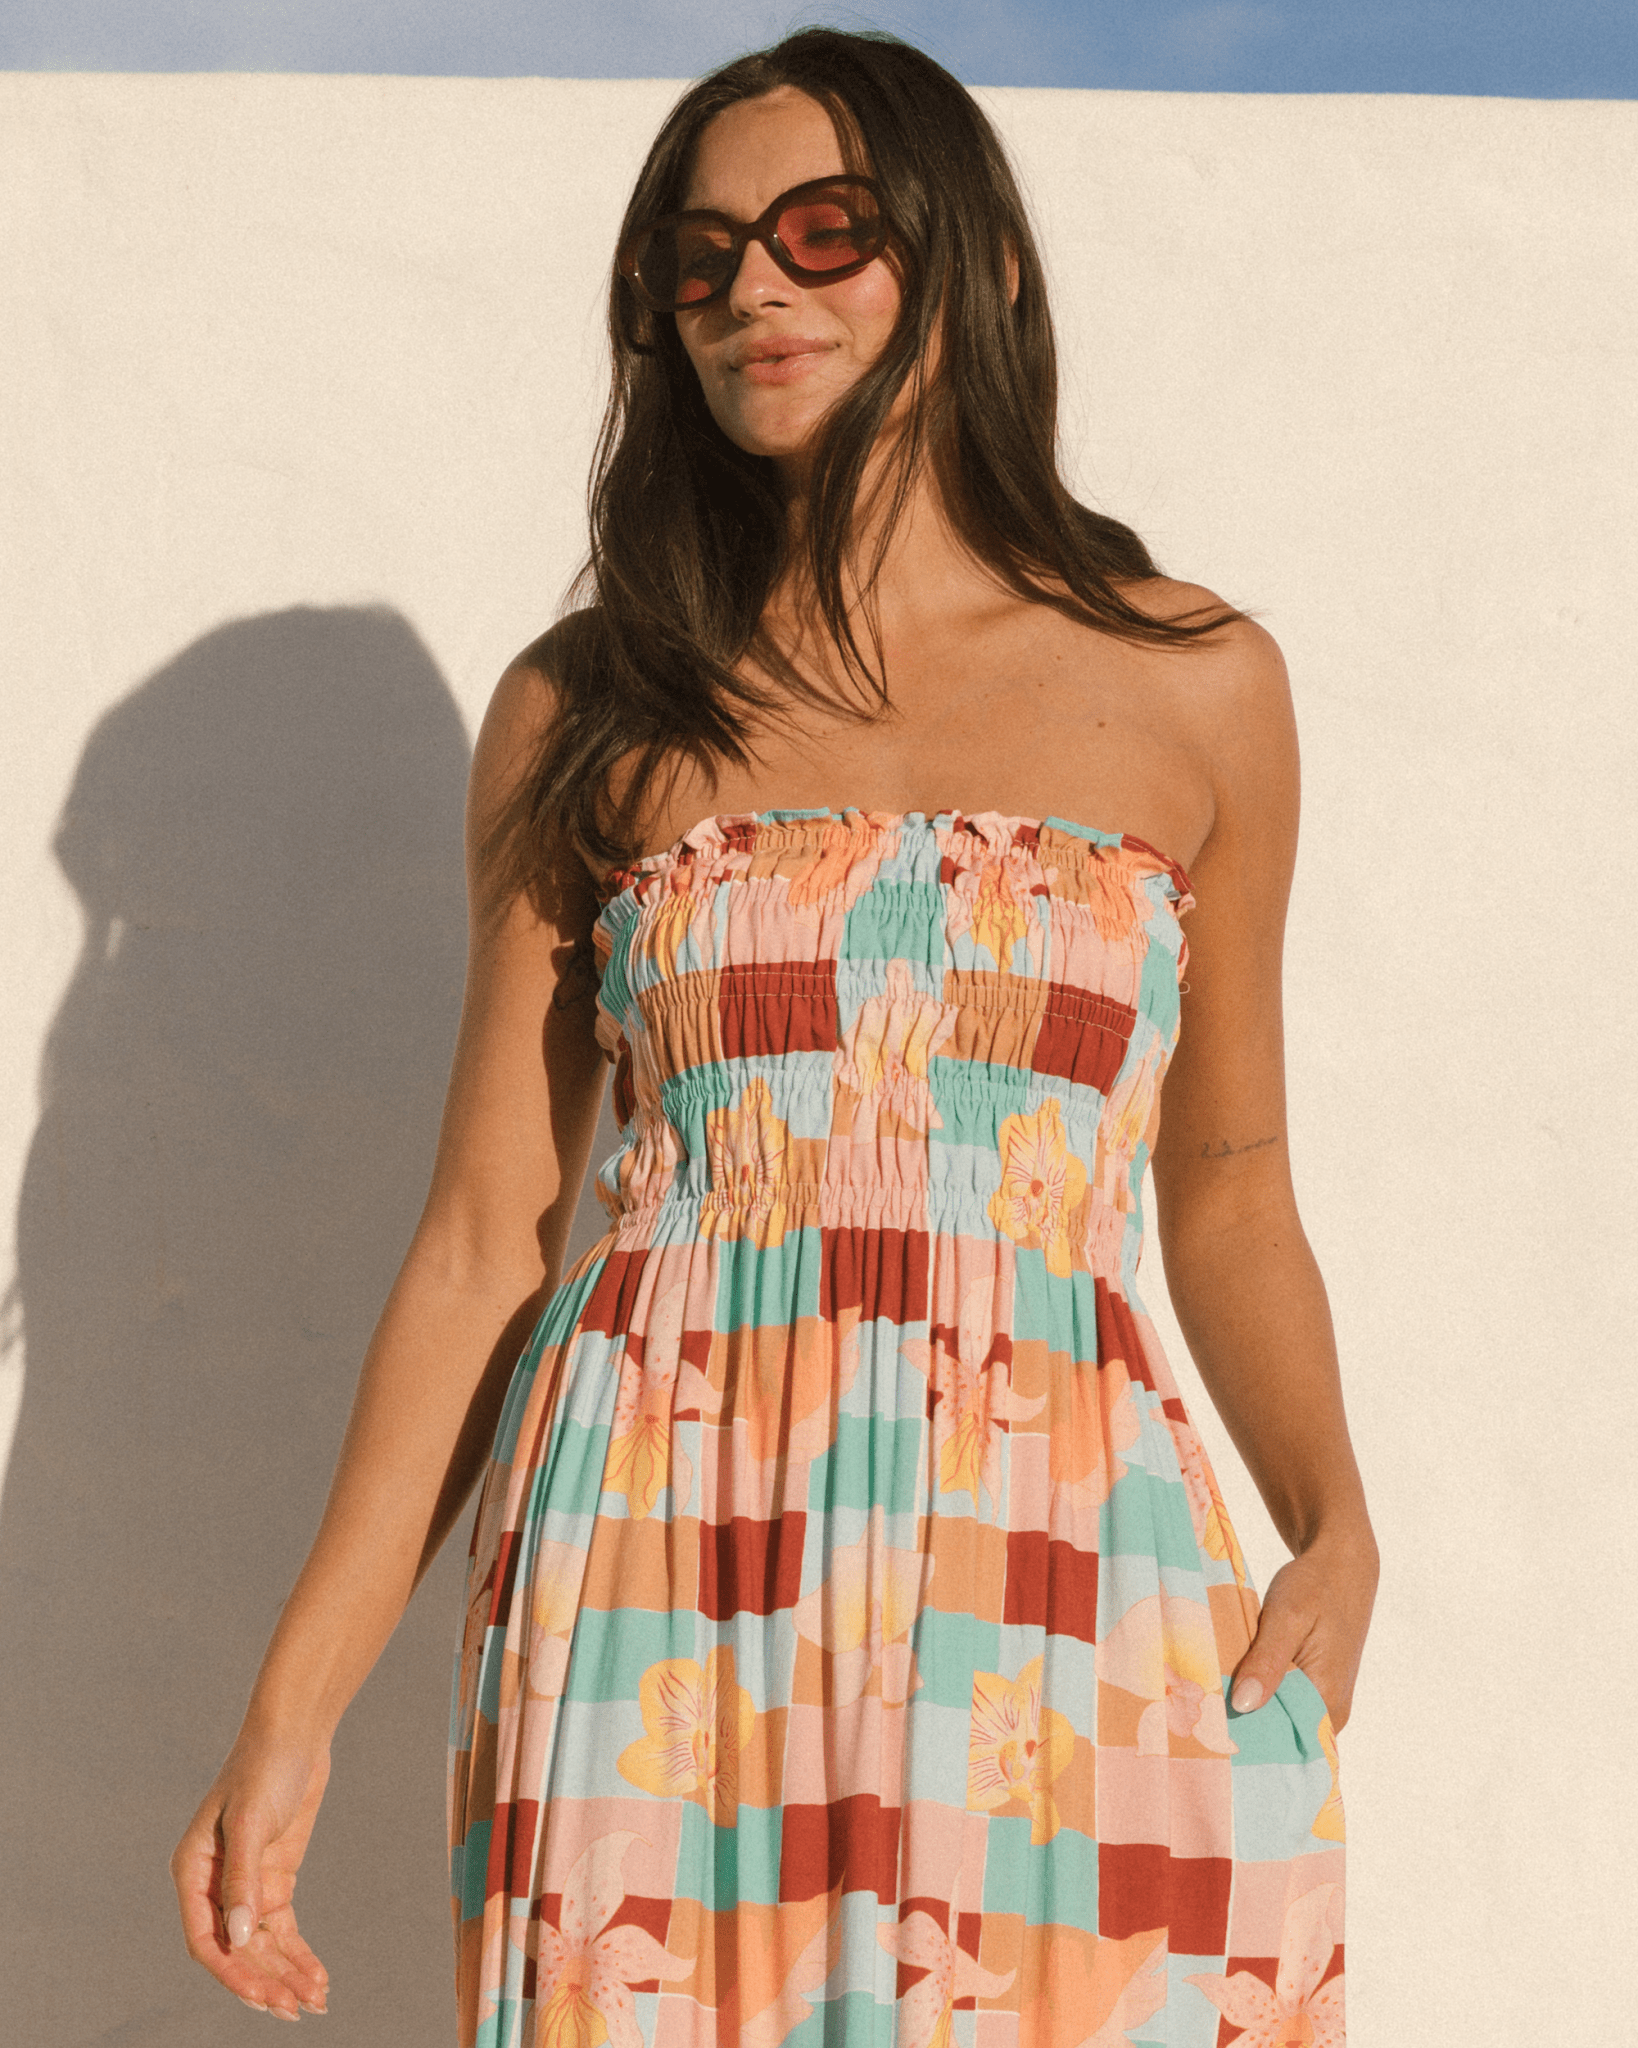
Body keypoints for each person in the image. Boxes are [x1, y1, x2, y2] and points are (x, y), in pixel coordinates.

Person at [172, 27, 1378, 2044]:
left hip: (1061, 1562)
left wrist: (1336, 1520)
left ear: (973, 265)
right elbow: (488, 1236)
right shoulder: (595, 709)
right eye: (703, 253)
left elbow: (1230, 1177)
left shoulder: (1194, 688)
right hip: (663, 1554)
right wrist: (292, 1704)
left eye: (827, 231)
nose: (758, 289)